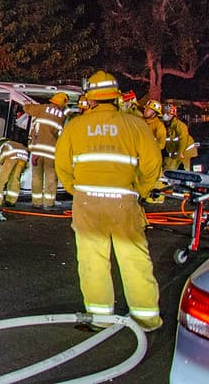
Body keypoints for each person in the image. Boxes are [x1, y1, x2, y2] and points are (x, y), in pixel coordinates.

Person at [54, 70, 163, 332]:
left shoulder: (76, 126)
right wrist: (141, 191)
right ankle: (146, 318)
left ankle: (100, 316)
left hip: (87, 202)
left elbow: (62, 165)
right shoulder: (135, 125)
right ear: (115, 97)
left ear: (90, 99)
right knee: (134, 259)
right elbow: (152, 165)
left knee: (92, 260)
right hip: (124, 201)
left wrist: (76, 189)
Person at [22, 92, 67, 208]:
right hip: (52, 152)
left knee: (37, 177)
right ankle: (49, 203)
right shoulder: (62, 116)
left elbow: (27, 109)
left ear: (53, 101)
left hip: (38, 150)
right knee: (51, 177)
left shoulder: (43, 109)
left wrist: (27, 103)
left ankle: (36, 202)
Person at [0, 137, 29, 208]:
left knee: (0, 179)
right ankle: (11, 201)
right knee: (15, 180)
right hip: (23, 157)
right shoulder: (14, 143)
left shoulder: (3, 145)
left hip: (11, 156)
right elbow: (26, 167)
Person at [142, 99, 167, 204]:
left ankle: (157, 198)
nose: (145, 111)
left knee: (156, 178)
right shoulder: (142, 122)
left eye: (148, 109)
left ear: (154, 113)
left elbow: (161, 144)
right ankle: (144, 195)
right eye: (145, 109)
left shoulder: (159, 126)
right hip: (143, 155)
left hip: (153, 156)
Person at [162, 103, 197, 171]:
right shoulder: (166, 126)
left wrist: (180, 152)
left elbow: (183, 139)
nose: (165, 115)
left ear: (173, 115)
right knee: (167, 171)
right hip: (174, 154)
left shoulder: (180, 125)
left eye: (167, 113)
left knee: (187, 172)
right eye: (164, 113)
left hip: (187, 153)